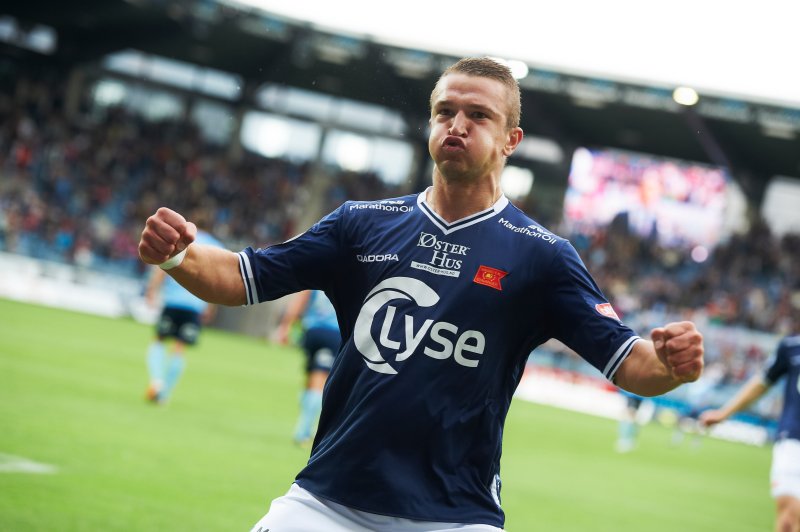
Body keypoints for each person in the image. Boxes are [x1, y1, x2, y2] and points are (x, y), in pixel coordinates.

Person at [138, 57, 705, 531]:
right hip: (327, 500)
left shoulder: (542, 256)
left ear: (511, 140)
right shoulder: (359, 224)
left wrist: (672, 365)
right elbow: (241, 278)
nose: (456, 124)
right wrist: (179, 254)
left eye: (478, 115)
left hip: (453, 516)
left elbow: (631, 365)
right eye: (445, 112)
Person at [700, 334, 800, 532]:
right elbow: (763, 382)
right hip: (793, 439)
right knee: (789, 519)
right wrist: (724, 413)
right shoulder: (792, 346)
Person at [143, 212, 224, 405]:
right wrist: (211, 306)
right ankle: (164, 395)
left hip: (172, 302)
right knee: (179, 349)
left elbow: (163, 266)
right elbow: (216, 280)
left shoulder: (182, 241)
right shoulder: (217, 247)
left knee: (159, 341)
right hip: (195, 305)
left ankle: (156, 382)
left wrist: (152, 290)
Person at [274, 289, 340, 446]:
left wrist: (286, 326)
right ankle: (303, 430)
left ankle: (304, 425)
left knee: (311, 377)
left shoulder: (319, 270)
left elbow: (300, 299)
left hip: (312, 331)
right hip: (334, 333)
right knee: (320, 378)